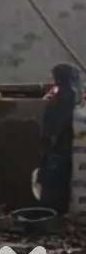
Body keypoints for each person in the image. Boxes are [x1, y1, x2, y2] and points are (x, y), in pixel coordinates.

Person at [40, 63, 81, 213]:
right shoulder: (62, 92)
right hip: (57, 141)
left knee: (57, 177)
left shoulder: (68, 93)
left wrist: (53, 138)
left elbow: (63, 119)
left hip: (60, 142)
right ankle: (54, 209)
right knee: (55, 177)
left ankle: (55, 209)